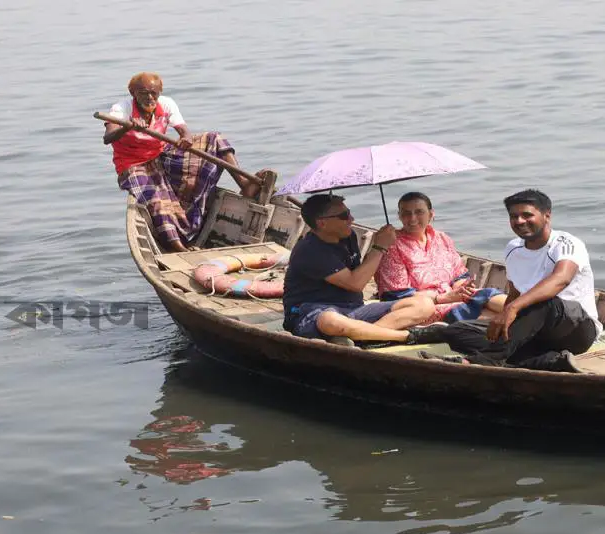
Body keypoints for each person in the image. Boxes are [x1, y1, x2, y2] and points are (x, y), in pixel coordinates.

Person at [431, 189, 602, 372]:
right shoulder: (513, 248)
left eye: (527, 215)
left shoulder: (566, 243)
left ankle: (487, 360)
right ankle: (547, 361)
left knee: (545, 303)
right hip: (532, 332)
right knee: (456, 331)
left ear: (546, 216)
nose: (520, 221)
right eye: (514, 216)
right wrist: (503, 320)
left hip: (574, 330)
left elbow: (561, 279)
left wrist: (512, 309)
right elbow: (514, 293)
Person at [102, 72, 260, 252]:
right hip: (133, 165)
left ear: (160, 92)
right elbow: (108, 137)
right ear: (133, 93)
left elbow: (184, 131)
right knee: (156, 199)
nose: (150, 97)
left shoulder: (166, 104)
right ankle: (178, 247)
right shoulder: (122, 109)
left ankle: (245, 184)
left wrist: (186, 139)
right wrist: (126, 126)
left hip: (160, 155)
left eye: (154, 93)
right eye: (143, 93)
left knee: (214, 138)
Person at [282, 194, 447, 346]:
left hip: (353, 308)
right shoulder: (311, 250)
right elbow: (355, 284)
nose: (351, 219)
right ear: (321, 223)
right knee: (330, 320)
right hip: (312, 312)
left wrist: (377, 246)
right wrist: (380, 247)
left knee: (424, 305)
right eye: (343, 216)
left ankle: (365, 335)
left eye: (349, 213)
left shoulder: (349, 236)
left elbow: (362, 270)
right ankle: (405, 336)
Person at [375, 192, 508, 324]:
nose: (413, 218)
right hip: (423, 306)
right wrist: (443, 298)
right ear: (399, 216)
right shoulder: (392, 245)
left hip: (453, 294)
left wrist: (462, 289)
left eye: (419, 212)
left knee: (490, 296)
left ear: (431, 214)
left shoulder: (441, 238)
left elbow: (459, 276)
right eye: (406, 213)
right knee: (491, 317)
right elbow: (396, 295)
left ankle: (523, 311)